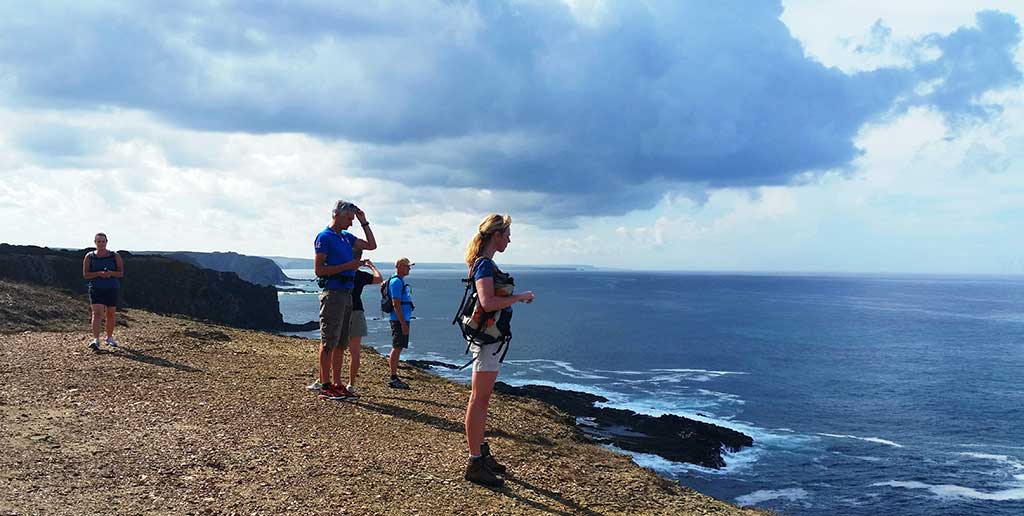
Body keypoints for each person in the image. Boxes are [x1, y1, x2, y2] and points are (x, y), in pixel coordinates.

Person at [461, 214, 534, 487]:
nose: (510, 239)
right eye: (507, 234)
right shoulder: (484, 265)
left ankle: (480, 452)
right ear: (496, 235)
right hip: (487, 342)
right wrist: (519, 297)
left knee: (480, 399)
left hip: (489, 340)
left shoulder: (485, 263)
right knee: (479, 399)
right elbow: (488, 302)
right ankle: (474, 461)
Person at [311, 200, 376, 399]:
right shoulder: (324, 237)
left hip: (346, 294)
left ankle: (337, 384)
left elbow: (372, 245)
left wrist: (364, 221)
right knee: (329, 340)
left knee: (340, 342)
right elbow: (319, 270)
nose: (351, 223)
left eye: (353, 219)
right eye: (349, 218)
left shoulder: (346, 237)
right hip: (333, 292)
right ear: (336, 215)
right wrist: (348, 266)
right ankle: (325, 385)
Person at [344, 249, 382, 398]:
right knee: (354, 351)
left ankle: (329, 381)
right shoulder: (359, 275)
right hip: (356, 311)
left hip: (341, 310)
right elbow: (379, 279)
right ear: (359, 258)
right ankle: (351, 384)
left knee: (335, 348)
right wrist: (370, 266)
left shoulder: (342, 272)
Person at [82, 232, 125, 351]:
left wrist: (110, 273)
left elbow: (121, 273)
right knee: (97, 313)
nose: (101, 243)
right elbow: (86, 275)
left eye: (103, 241)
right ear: (95, 242)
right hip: (96, 288)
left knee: (110, 313)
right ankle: (96, 339)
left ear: (107, 242)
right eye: (98, 241)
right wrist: (99, 274)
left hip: (112, 287)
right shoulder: (89, 256)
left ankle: (109, 337)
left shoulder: (114, 256)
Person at [386, 257, 415, 388]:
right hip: (398, 319)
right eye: (407, 266)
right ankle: (393, 376)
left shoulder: (400, 281)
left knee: (399, 346)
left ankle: (394, 374)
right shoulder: (396, 282)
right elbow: (396, 303)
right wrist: (403, 323)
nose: (409, 268)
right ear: (399, 266)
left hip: (402, 318)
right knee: (397, 346)